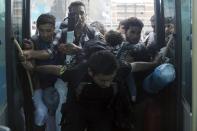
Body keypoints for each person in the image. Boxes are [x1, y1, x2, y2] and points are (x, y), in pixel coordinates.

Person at [22, 13, 67, 131]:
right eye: (41, 30)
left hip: (59, 82)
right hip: (40, 85)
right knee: (41, 113)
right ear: (37, 29)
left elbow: (49, 53)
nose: (45, 34)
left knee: (59, 112)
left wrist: (31, 54)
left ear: (54, 28)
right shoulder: (33, 41)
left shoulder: (60, 35)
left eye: (48, 30)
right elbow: (31, 66)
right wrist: (28, 64)